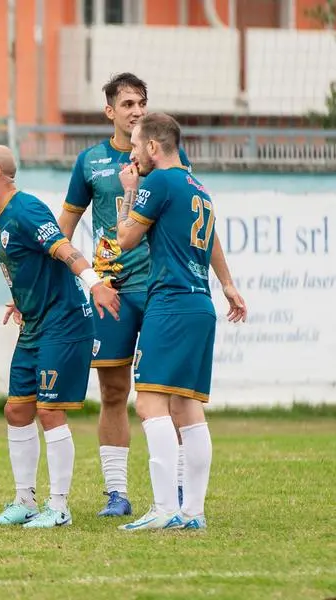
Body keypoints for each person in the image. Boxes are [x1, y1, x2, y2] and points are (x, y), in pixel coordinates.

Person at [0, 144, 120, 528]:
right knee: (16, 410)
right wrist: (21, 299)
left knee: (49, 411)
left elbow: (63, 249)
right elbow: (31, 264)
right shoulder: (1, 216)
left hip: (64, 322)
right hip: (35, 322)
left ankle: (60, 506)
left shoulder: (26, 208)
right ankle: (24, 501)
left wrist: (95, 283)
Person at [57, 73, 192, 517]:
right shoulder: (90, 161)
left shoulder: (164, 156)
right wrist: (64, 279)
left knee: (165, 391)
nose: (137, 110)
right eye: (129, 103)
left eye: (142, 102)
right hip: (110, 291)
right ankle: (116, 493)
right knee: (113, 392)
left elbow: (194, 209)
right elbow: (67, 226)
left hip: (157, 289)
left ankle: (175, 491)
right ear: (110, 111)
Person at [115, 113, 247, 531]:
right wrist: (227, 285)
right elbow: (211, 242)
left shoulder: (157, 182)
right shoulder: (198, 187)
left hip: (170, 302)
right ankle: (193, 512)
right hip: (199, 304)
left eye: (136, 145)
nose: (133, 153)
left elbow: (125, 238)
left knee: (150, 401)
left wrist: (129, 193)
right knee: (188, 406)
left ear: (154, 147)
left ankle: (163, 507)